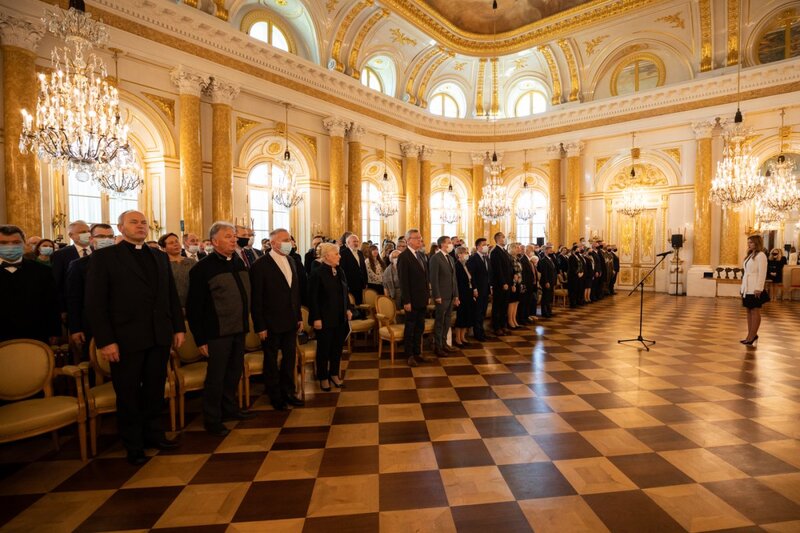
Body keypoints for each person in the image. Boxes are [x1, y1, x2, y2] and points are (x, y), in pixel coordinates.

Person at [86, 210, 185, 465]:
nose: (140, 226)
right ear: (121, 228)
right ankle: (133, 443)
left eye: (143, 222)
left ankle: (154, 434)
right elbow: (96, 304)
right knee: (128, 393)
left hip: (158, 335)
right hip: (125, 338)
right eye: (134, 222)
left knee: (154, 389)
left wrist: (178, 327)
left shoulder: (158, 256)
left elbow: (170, 295)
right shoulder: (105, 257)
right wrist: (106, 341)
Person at [186, 221, 254, 436]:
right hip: (216, 332)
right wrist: (200, 339)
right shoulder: (202, 269)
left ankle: (229, 409)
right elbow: (194, 308)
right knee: (216, 377)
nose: (234, 239)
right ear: (214, 241)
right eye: (228, 236)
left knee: (234, 373)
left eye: (234, 236)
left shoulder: (238, 262)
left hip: (238, 329)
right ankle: (212, 418)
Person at [250, 228, 304, 410]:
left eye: (289, 239)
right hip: (270, 322)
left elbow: (294, 292)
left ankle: (288, 391)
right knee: (271, 360)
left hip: (290, 320)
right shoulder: (260, 265)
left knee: (289, 358)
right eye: (285, 239)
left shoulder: (291, 260)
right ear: (273, 243)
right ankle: (275, 395)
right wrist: (260, 326)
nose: (289, 242)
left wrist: (299, 317)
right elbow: (256, 298)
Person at [0, 225, 60, 344]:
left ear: (24, 244)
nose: (10, 246)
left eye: (16, 242)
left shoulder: (42, 271)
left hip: (35, 334)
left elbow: (51, 303)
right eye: (3, 243)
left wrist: (54, 331)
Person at [66, 224, 116, 358]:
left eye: (110, 236)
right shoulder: (78, 265)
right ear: (91, 239)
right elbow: (74, 299)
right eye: (101, 236)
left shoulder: (124, 263)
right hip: (92, 323)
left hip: (121, 322)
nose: (106, 239)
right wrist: (76, 328)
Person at [308, 242, 352, 391]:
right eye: (336, 254)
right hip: (324, 319)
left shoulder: (340, 271)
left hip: (340, 317)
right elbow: (312, 298)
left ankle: (334, 374)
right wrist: (316, 318)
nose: (339, 256)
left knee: (337, 348)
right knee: (324, 349)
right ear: (327, 256)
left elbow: (345, 292)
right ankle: (323, 377)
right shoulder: (317, 273)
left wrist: (348, 309)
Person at [397, 229, 433, 367]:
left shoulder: (422, 255)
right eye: (417, 238)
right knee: (410, 328)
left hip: (422, 298)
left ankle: (418, 353)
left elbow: (425, 278)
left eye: (420, 237)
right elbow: (403, 281)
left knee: (420, 328)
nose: (420, 240)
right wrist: (406, 301)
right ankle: (410, 355)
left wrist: (427, 296)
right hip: (411, 300)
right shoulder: (404, 257)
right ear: (408, 240)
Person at [52, 220, 92, 312]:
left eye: (88, 231)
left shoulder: (98, 251)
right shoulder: (61, 254)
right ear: (71, 235)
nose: (87, 234)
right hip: (73, 306)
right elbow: (58, 283)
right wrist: (62, 309)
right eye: (82, 232)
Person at [429, 236, 459, 355]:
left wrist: (456, 295)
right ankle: (438, 346)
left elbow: (454, 278)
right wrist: (436, 295)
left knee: (447, 321)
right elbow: (434, 279)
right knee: (440, 322)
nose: (451, 244)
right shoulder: (435, 258)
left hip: (450, 295)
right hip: (441, 296)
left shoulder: (450, 258)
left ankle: (444, 343)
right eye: (449, 242)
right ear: (442, 244)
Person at [741, 235, 768, 345]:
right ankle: (751, 335)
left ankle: (752, 336)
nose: (749, 244)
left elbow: (762, 273)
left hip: (755, 287)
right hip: (746, 287)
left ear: (757, 243)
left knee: (755, 310)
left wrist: (759, 288)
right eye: (748, 242)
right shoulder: (750, 255)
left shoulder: (761, 255)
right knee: (748, 310)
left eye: (751, 242)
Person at [159, 233, 194, 309]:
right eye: (171, 243)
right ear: (163, 248)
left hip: (192, 304)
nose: (176, 244)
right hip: (171, 306)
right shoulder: (161, 265)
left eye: (176, 241)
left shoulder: (192, 262)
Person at [467, 238, 491, 342]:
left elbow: (489, 274)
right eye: (483, 244)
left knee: (483, 312)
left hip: (486, 290)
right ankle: (477, 333)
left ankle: (482, 331)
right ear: (477, 247)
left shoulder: (486, 258)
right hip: (478, 290)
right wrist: (475, 289)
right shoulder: (473, 258)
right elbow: (471, 276)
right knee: (478, 312)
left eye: (486, 244)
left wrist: (491, 287)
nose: (485, 246)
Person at [489, 232, 513, 336]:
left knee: (504, 306)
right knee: (498, 306)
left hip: (507, 282)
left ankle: (503, 325)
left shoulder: (504, 251)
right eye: (503, 237)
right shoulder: (495, 251)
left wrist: (510, 282)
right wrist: (503, 282)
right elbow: (498, 269)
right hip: (500, 284)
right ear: (498, 239)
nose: (505, 239)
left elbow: (508, 267)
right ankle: (496, 327)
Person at [454, 246, 476, 348]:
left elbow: (471, 279)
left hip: (468, 293)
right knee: (461, 317)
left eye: (467, 252)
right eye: (465, 253)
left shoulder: (466, 265)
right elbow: (456, 283)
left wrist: (474, 290)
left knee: (467, 315)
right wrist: (456, 296)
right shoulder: (457, 266)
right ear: (459, 255)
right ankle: (457, 338)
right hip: (461, 294)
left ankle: (463, 337)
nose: (467, 254)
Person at [340, 234, 368, 305]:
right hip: (349, 284)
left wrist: (365, 282)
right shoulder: (343, 253)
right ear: (348, 243)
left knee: (360, 303)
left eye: (357, 241)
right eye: (354, 241)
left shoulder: (360, 253)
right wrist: (345, 284)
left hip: (360, 284)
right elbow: (342, 270)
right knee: (351, 304)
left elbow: (363, 268)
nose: (356, 243)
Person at [518, 244, 537, 324]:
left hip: (530, 285)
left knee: (528, 302)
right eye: (532, 250)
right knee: (524, 302)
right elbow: (524, 274)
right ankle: (522, 318)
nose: (533, 252)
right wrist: (524, 285)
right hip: (526, 285)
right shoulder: (523, 260)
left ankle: (526, 316)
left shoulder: (529, 259)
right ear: (528, 251)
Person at [538, 244, 557, 318]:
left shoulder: (550, 259)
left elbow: (554, 270)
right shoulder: (543, 260)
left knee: (549, 297)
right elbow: (544, 272)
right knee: (545, 297)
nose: (551, 250)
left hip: (551, 281)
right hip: (547, 282)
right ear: (545, 250)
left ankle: (549, 311)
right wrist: (546, 282)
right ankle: (544, 312)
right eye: (550, 249)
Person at [507, 243, 523, 330]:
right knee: (512, 302)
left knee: (516, 302)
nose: (519, 249)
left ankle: (514, 319)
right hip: (513, 283)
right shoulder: (509, 258)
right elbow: (511, 273)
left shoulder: (517, 258)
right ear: (512, 249)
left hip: (518, 282)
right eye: (517, 248)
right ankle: (510, 321)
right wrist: (513, 284)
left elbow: (519, 272)